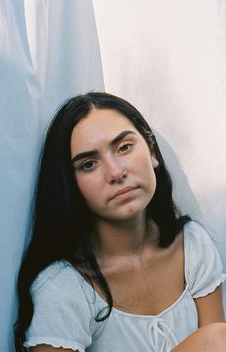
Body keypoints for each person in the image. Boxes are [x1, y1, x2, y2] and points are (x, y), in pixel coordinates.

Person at [14, 92, 226, 352]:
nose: (116, 172)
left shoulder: (192, 246)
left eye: (124, 147)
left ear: (152, 153)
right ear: (70, 186)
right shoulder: (62, 288)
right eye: (89, 164)